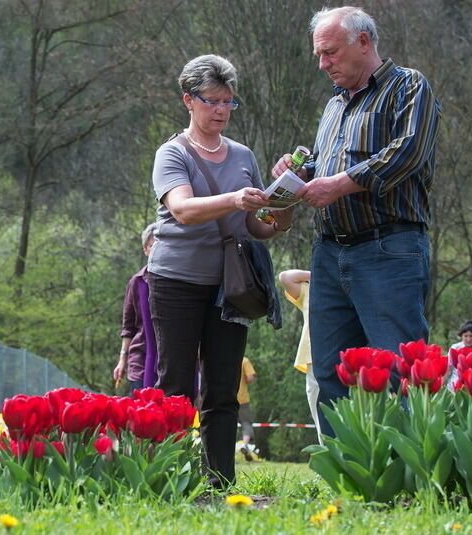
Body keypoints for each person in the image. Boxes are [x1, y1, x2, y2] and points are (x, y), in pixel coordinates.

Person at [270, 6, 440, 437]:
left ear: (363, 43)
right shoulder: (332, 106)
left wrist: (340, 184)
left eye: (330, 53)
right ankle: (347, 473)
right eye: (319, 56)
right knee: (330, 371)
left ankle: (411, 476)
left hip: (389, 249)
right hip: (330, 251)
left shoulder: (409, 86)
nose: (323, 64)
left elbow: (407, 152)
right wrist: (300, 175)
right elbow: (327, 172)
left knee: (402, 368)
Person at [149, 54, 293, 488]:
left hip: (232, 286)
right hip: (176, 281)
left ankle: (220, 482)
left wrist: (281, 211)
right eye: (212, 101)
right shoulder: (172, 153)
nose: (221, 110)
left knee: (223, 386)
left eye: (229, 102)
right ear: (187, 101)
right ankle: (169, 475)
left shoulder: (243, 155)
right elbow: (182, 209)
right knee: (174, 383)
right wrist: (234, 199)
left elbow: (253, 225)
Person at [278, 269, 322, 442]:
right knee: (319, 411)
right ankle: (329, 462)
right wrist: (323, 272)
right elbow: (285, 277)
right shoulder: (310, 290)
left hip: (348, 360)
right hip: (314, 358)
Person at [115, 222, 158, 394]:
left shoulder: (178, 281)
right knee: (142, 414)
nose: (157, 250)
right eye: (153, 246)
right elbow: (128, 326)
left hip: (169, 361)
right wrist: (122, 360)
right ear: (145, 250)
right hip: (140, 360)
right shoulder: (137, 282)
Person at [447, 320, 472, 391]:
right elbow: (448, 367)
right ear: (461, 336)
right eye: (465, 336)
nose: (468, 339)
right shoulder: (455, 347)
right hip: (456, 382)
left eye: (471, 336)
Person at [237, 357, 257, 461]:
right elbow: (250, 377)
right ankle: (244, 444)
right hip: (242, 398)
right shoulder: (244, 360)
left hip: (225, 397)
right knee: (246, 423)